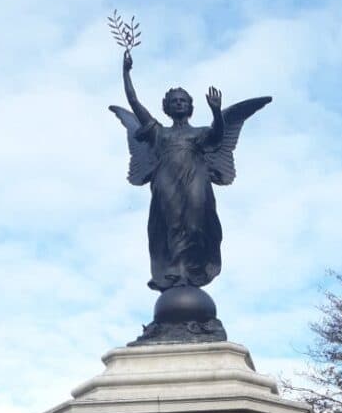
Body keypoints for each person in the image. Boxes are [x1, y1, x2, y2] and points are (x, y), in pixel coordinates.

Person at [110, 49, 270, 291]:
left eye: (183, 100)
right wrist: (126, 72)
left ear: (190, 107)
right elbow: (134, 102)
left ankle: (192, 272)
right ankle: (175, 274)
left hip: (196, 179)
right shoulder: (159, 133)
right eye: (174, 101)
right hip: (166, 181)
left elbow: (218, 135)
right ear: (167, 107)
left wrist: (217, 111)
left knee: (196, 224)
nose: (179, 103)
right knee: (171, 223)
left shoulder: (200, 133)